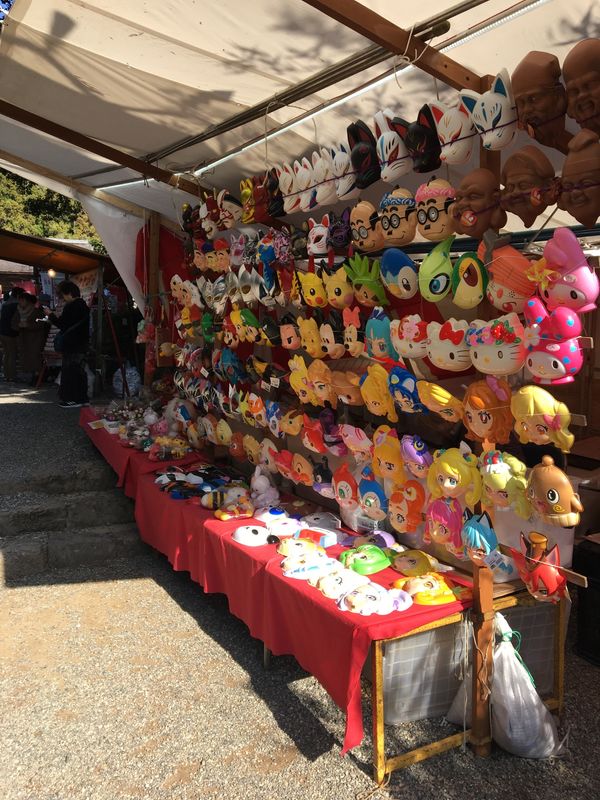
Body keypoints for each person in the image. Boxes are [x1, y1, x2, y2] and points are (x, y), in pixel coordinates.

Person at [46, 280, 90, 408]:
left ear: (69, 293)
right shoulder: (84, 306)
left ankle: (71, 399)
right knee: (80, 372)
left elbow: (63, 325)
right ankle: (83, 398)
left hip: (72, 344)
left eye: (64, 296)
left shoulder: (71, 306)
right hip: (82, 344)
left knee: (70, 372)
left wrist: (50, 315)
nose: (64, 299)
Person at [13, 293, 49, 384]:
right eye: (20, 300)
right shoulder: (18, 311)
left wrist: (28, 325)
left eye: (23, 300)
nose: (21, 302)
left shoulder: (37, 312)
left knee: (35, 358)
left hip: (35, 339)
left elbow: (41, 324)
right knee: (25, 358)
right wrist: (18, 325)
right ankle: (28, 377)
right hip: (23, 339)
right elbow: (13, 323)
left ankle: (36, 377)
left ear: (28, 301)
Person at [0, 287, 24, 383]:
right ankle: (12, 376)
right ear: (18, 295)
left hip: (2, 331)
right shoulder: (16, 305)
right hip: (10, 332)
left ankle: (6, 375)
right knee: (12, 354)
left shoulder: (6, 304)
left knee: (7, 354)